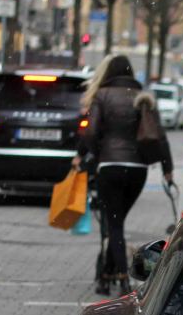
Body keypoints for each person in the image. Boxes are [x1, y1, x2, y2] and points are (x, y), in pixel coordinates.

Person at [72, 54, 174, 296]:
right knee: (116, 220)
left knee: (114, 225)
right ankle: (105, 276)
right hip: (137, 171)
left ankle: (123, 279)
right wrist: (168, 170)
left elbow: (90, 132)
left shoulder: (103, 95)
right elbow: (159, 136)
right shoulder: (144, 97)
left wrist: (94, 156)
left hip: (110, 167)